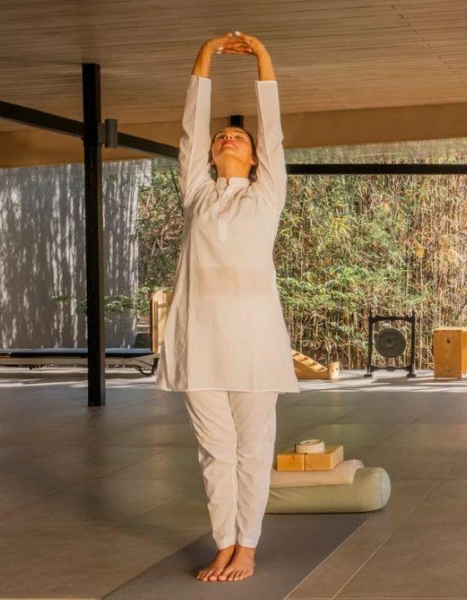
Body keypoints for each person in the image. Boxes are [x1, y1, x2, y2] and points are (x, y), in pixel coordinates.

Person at [158, 32, 297, 583]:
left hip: (255, 346)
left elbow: (276, 130)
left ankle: (249, 545)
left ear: (255, 154)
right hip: (200, 346)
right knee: (215, 455)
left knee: (253, 450)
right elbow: (192, 130)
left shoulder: (266, 196)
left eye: (239, 134)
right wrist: (204, 60)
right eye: (223, 136)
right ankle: (224, 543)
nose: (228, 137)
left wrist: (264, 57)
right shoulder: (197, 195)